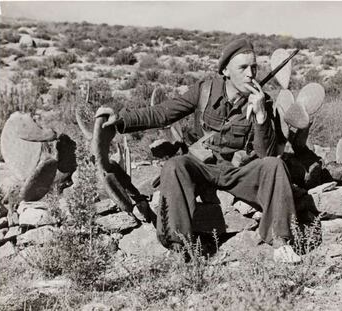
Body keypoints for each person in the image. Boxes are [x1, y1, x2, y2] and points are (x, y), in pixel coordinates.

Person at [96, 38, 301, 263]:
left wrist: (261, 117)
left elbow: (265, 157)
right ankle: (178, 246)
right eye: (243, 68)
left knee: (275, 165)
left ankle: (282, 243)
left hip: (237, 171)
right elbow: (164, 113)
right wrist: (122, 120)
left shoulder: (262, 101)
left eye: (254, 67)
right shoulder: (205, 89)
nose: (250, 74)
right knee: (175, 165)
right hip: (201, 166)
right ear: (225, 71)